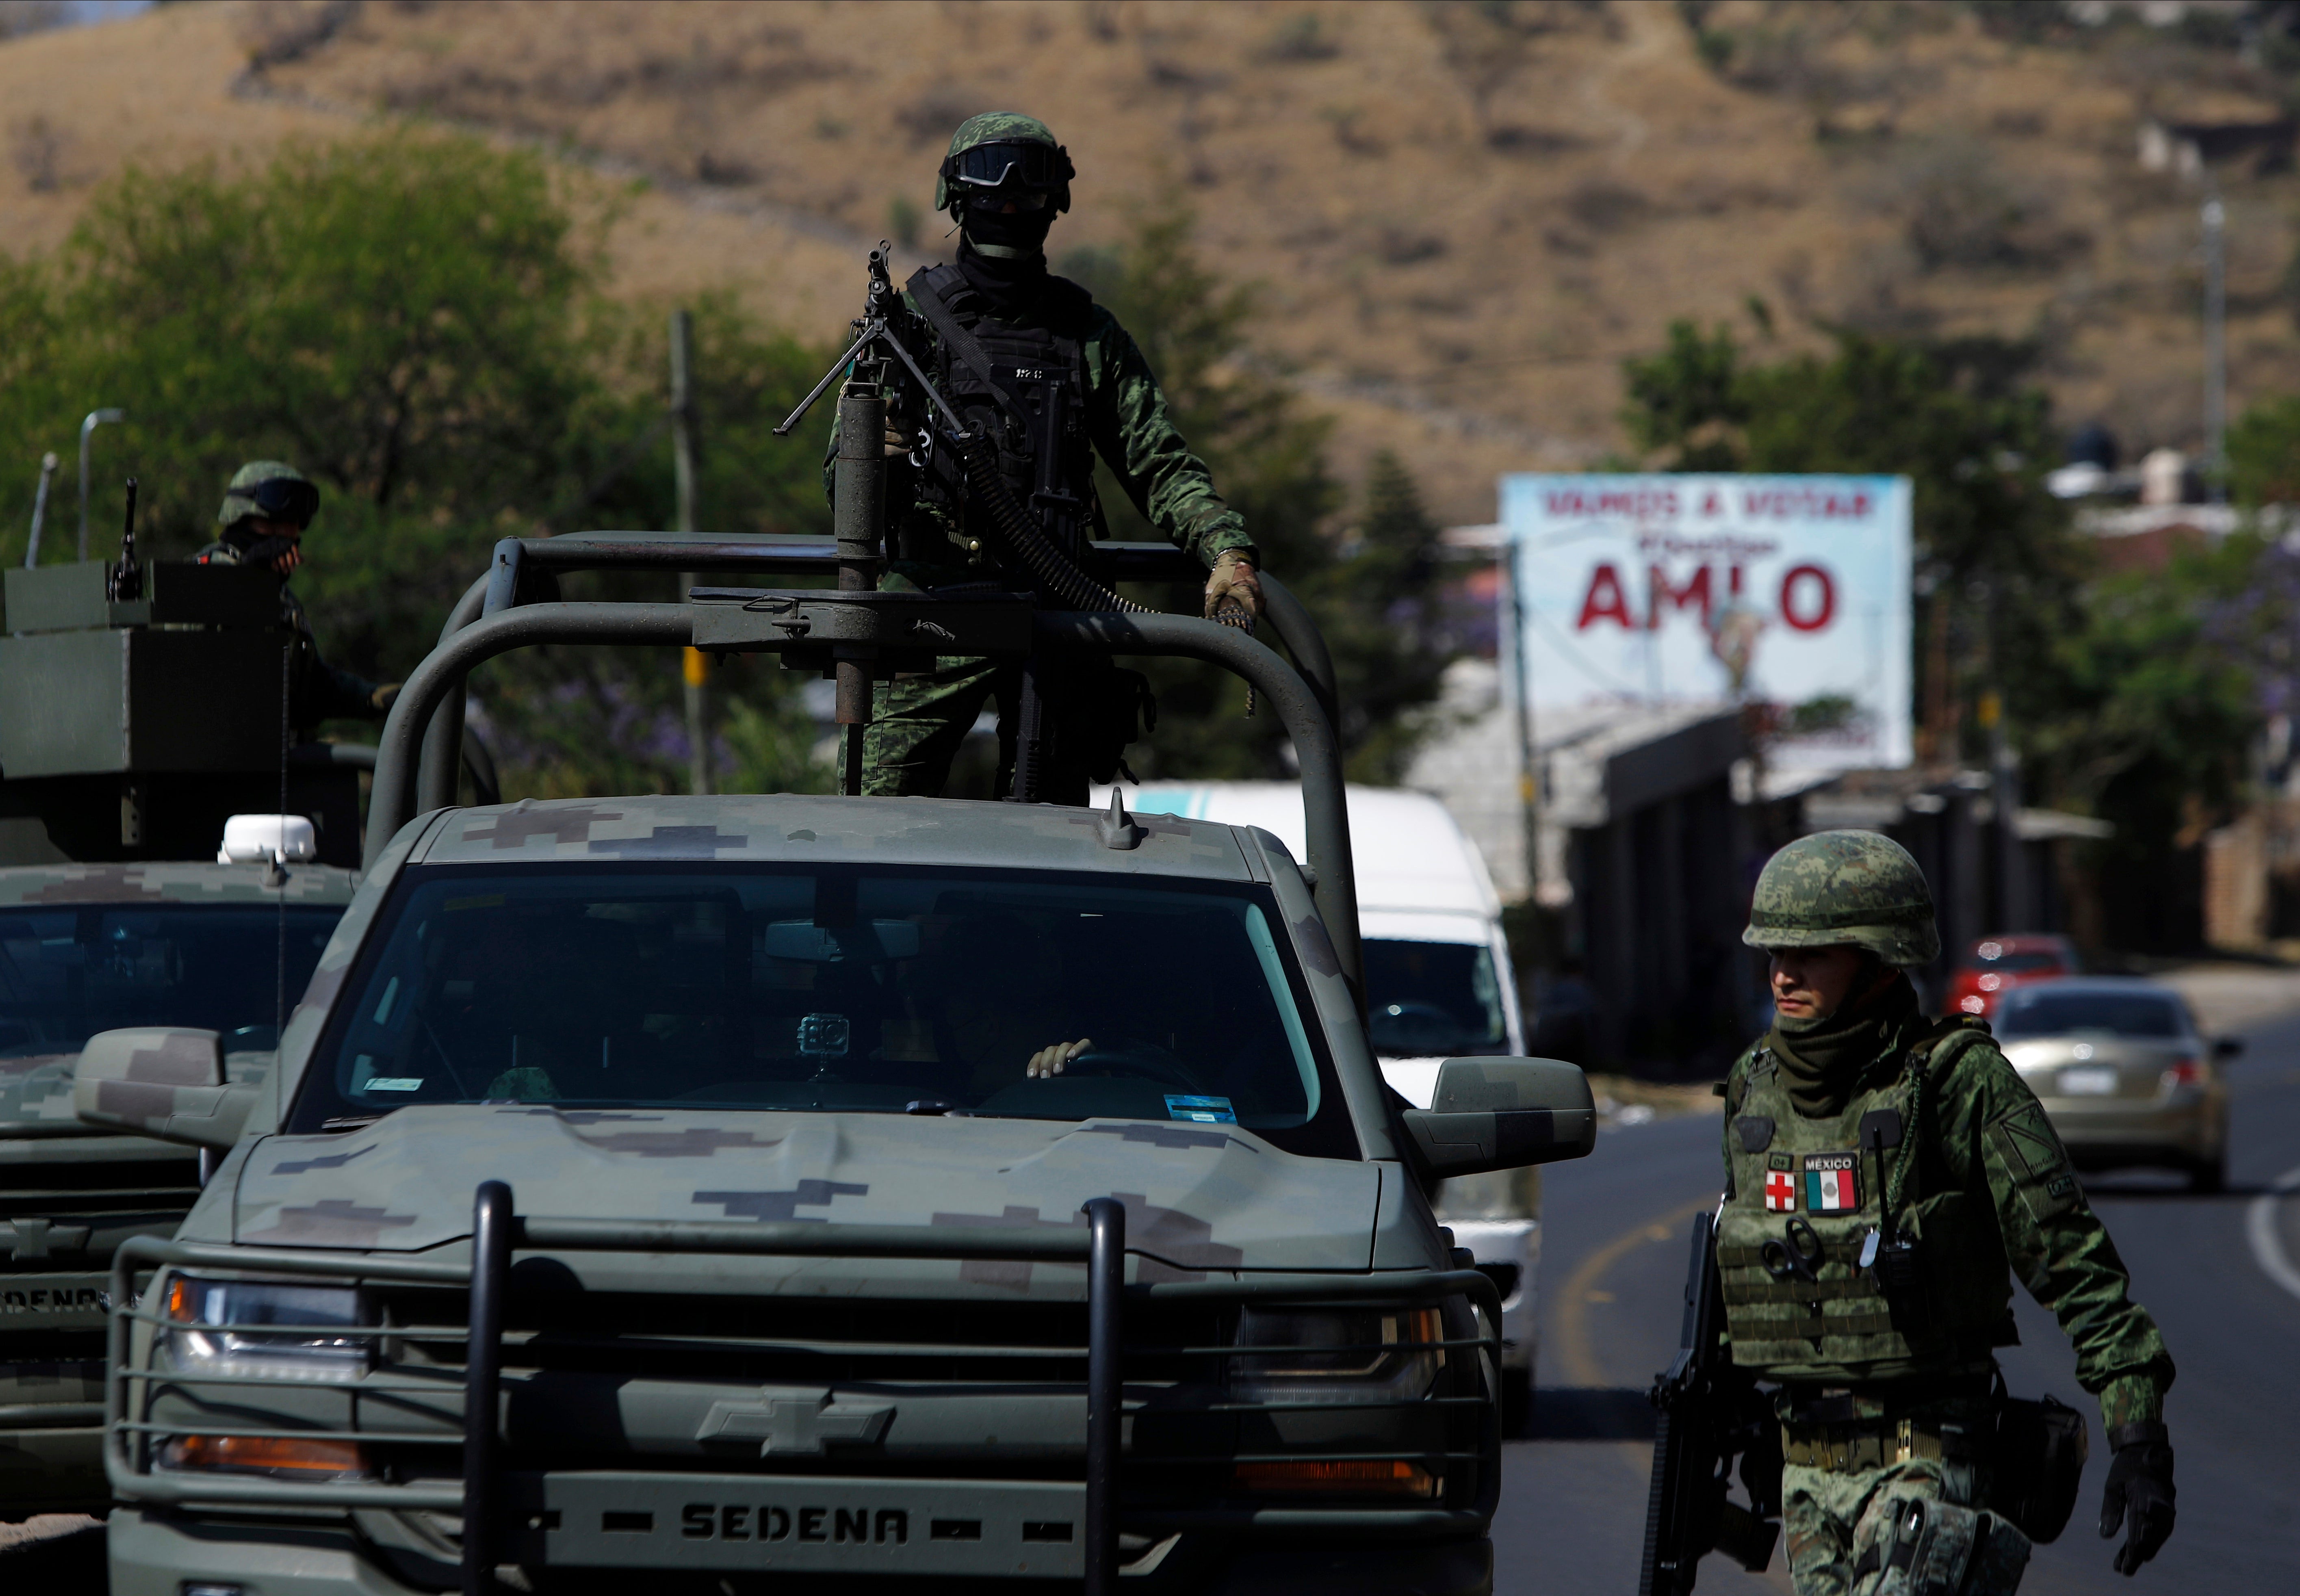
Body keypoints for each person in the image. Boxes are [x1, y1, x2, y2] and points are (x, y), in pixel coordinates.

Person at [1724, 831, 2175, 1594]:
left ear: (1878, 962)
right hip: (1806, 1479)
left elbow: (2073, 1262)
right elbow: (1751, 1259)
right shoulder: (1752, 1088)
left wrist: (2139, 1434)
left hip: (1925, 1466)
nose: (1784, 973)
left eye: (1816, 954)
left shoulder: (1958, 1081)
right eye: (1774, 952)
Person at [827, 112, 1263, 803]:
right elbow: (841, 492)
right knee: (874, 823)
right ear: (958, 199)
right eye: (991, 186)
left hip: (1058, 616)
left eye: (1026, 189)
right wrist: (869, 457)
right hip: (934, 614)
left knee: (1054, 837)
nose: (1007, 201)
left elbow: (1161, 464)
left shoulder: (1088, 336)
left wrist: (1226, 550)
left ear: (1054, 200)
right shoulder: (909, 327)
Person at [197, 462, 397, 734]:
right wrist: (248, 579)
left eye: (294, 524)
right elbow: (198, 653)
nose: (288, 534)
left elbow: (314, 685)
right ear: (242, 519)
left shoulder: (282, 600)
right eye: (274, 522)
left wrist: (372, 698)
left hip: (277, 761)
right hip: (217, 760)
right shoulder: (204, 575)